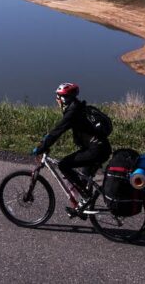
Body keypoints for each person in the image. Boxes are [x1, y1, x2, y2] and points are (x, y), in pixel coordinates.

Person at [32, 82, 112, 211]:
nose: (57, 100)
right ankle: (84, 207)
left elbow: (57, 131)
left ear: (63, 98)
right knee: (83, 179)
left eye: (58, 97)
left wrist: (42, 147)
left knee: (64, 165)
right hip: (100, 148)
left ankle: (86, 198)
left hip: (95, 150)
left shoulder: (73, 112)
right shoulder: (79, 107)